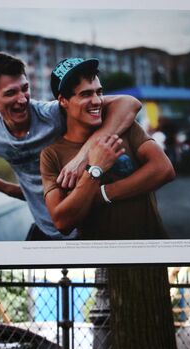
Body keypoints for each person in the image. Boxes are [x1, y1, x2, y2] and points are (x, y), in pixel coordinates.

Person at [0, 52, 141, 241]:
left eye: (25, 88)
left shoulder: (52, 113)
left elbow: (129, 103)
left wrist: (83, 156)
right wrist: (9, 189)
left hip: (88, 225)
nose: (22, 99)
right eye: (11, 93)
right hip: (47, 229)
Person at [40, 58, 175, 240]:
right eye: (86, 94)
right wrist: (94, 171)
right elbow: (62, 222)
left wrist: (103, 193)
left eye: (99, 92)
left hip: (150, 248)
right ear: (63, 100)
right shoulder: (51, 154)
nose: (97, 101)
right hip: (101, 258)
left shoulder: (124, 127)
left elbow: (164, 170)